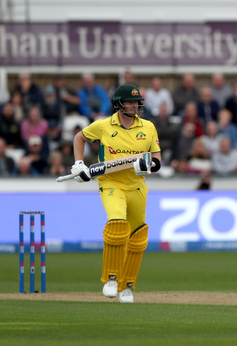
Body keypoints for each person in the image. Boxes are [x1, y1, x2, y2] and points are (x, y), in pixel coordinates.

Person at [70, 84, 161, 304]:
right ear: (118, 104)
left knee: (137, 237)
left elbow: (157, 161)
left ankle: (127, 286)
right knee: (117, 224)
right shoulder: (103, 125)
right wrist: (79, 164)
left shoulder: (148, 127)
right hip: (111, 183)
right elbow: (79, 138)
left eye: (137, 102)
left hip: (137, 186)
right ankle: (111, 279)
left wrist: (148, 166)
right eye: (130, 102)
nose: (134, 105)